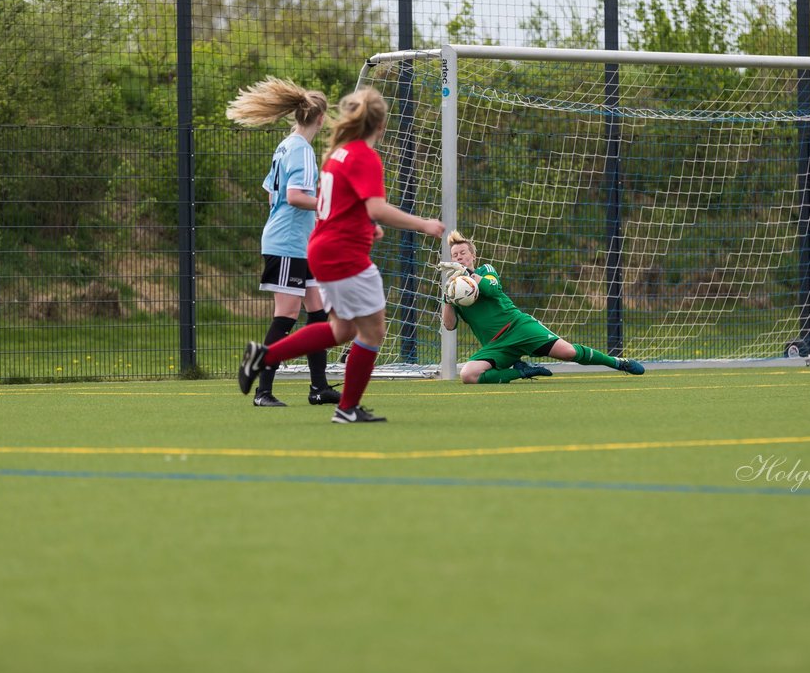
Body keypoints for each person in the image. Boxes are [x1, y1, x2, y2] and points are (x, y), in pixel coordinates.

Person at [237, 87, 445, 423]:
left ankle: (268, 359)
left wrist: (365, 226)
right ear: (381, 124)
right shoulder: (363, 156)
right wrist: (423, 224)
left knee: (342, 328)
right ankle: (345, 407)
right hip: (339, 252)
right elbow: (374, 207)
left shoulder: (338, 153)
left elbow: (337, 205)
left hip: (323, 246)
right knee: (372, 330)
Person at [226, 76, 342, 408]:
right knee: (287, 316)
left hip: (297, 241)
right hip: (288, 244)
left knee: (317, 313)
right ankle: (263, 390)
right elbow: (293, 196)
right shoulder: (302, 150)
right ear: (320, 119)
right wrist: (326, 204)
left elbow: (270, 194)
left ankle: (318, 388)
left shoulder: (285, 145)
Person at [438, 230, 645, 384]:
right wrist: (448, 297)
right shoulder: (454, 290)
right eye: (454, 255)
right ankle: (521, 371)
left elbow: (491, 290)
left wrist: (469, 274)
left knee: (568, 352)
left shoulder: (486, 270)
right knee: (468, 375)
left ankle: (618, 363)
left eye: (462, 253)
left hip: (518, 327)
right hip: (496, 345)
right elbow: (449, 325)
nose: (458, 258)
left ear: (473, 256)